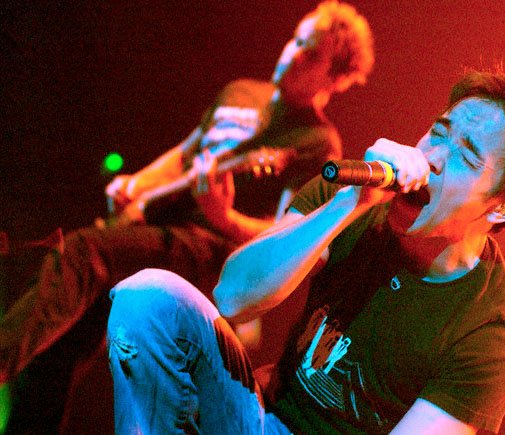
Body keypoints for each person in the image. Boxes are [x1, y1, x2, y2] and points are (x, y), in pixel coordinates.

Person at [107, 68, 505, 433]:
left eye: (466, 155)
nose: (434, 157)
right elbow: (234, 297)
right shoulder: (349, 198)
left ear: (504, 206)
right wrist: (347, 205)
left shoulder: (491, 331)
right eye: (438, 133)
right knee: (150, 298)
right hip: (255, 416)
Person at [0, 1, 374, 431]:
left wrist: (225, 217)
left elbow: (284, 234)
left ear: (335, 78)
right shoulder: (241, 91)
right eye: (296, 40)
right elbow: (186, 154)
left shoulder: (317, 142)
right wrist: (137, 184)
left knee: (85, 252)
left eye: (311, 53)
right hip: (162, 227)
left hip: (211, 251)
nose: (293, 54)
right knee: (67, 336)